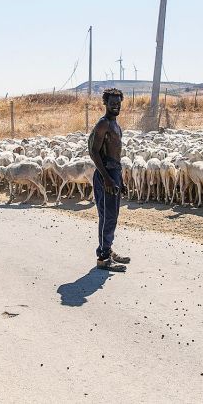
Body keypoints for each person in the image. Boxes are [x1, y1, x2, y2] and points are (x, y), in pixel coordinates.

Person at [88, 88, 131, 272]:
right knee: (108, 216)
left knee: (109, 215)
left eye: (118, 103)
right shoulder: (103, 124)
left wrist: (119, 180)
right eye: (112, 103)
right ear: (105, 103)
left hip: (114, 172)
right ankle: (104, 257)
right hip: (105, 173)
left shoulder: (115, 124)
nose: (116, 106)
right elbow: (93, 151)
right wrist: (106, 178)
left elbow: (115, 154)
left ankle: (107, 249)